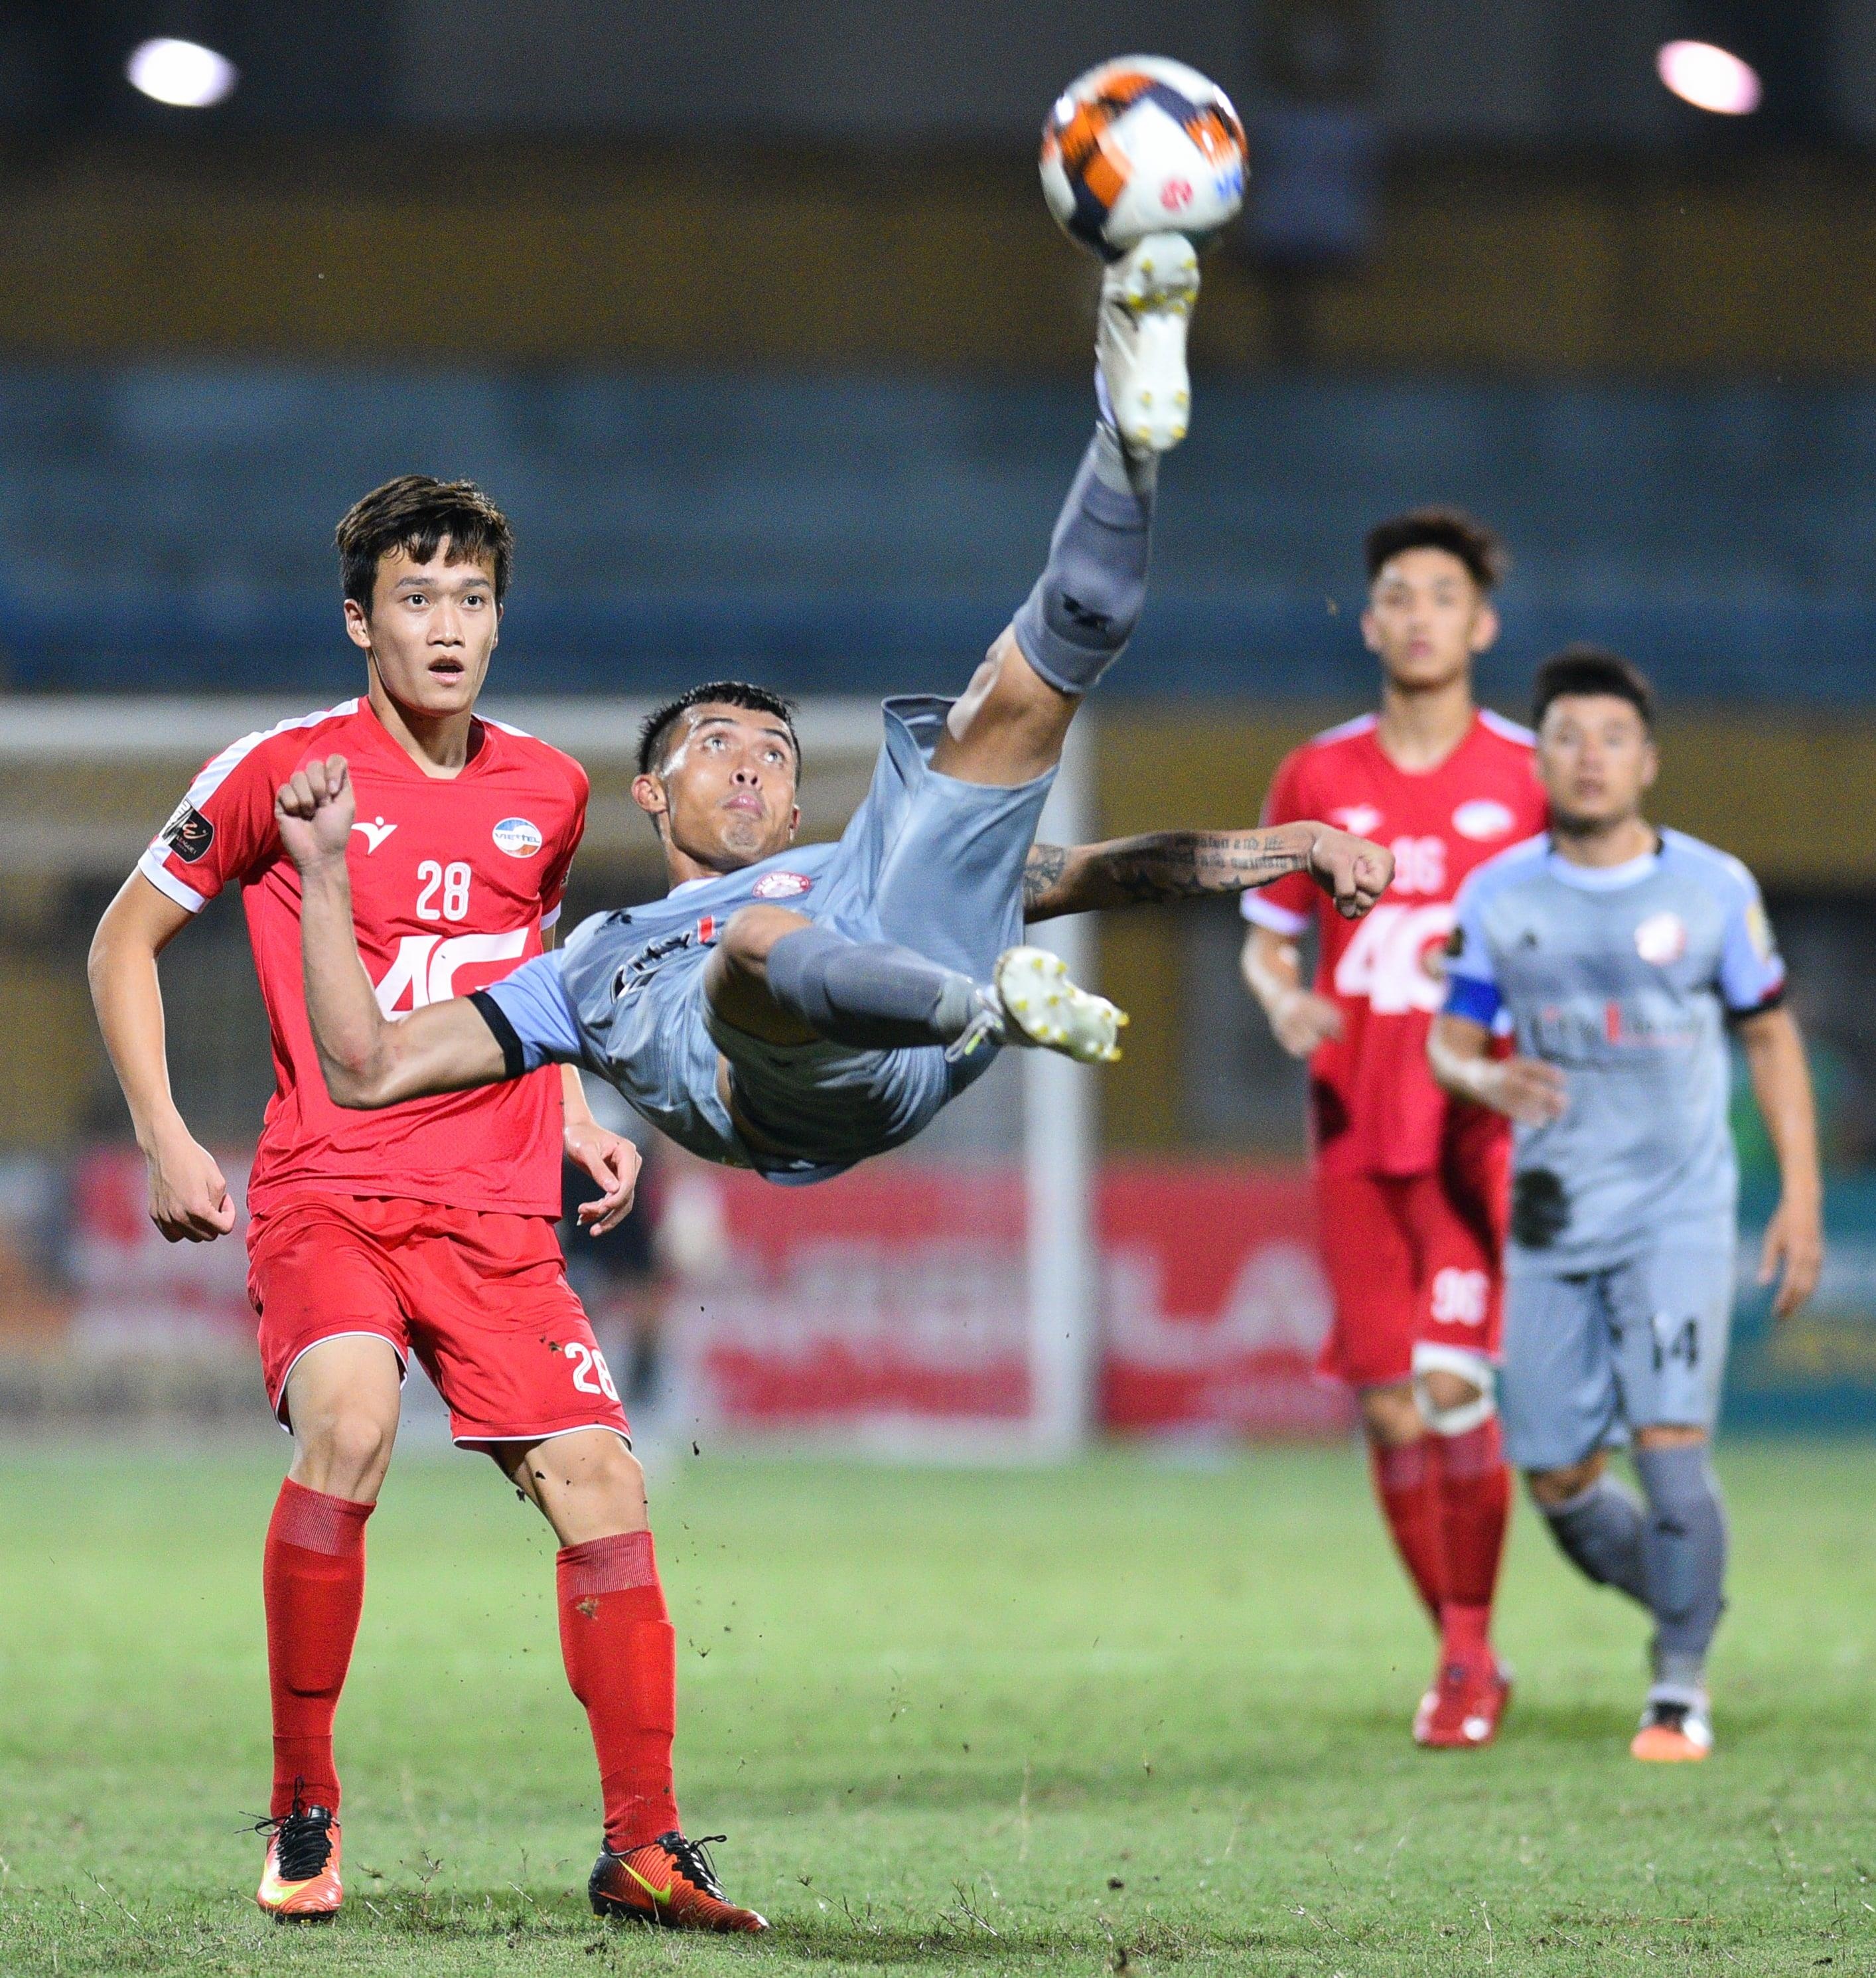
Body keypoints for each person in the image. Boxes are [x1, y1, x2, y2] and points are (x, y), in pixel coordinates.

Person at [268, 236, 1392, 1207]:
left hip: (900, 974)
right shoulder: (588, 962)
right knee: (751, 947)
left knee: (1015, 692)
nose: (750, 767)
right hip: (781, 1094)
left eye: (773, 756)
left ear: (801, 803)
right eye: (716, 744)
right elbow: (367, 1068)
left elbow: (1108, 872)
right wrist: (323, 872)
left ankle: (1129, 439)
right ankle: (985, 1001)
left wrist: (1299, 848)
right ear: (650, 792)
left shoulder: (840, 866)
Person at [88, 476, 766, 1931]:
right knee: (349, 1419)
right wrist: (162, 1130)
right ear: (360, 618)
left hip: (495, 1209)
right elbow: (122, 937)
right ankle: (302, 1806)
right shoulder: (282, 769)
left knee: (605, 1486)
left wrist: (575, 1106)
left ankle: (644, 1844)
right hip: (329, 1189)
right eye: (416, 598)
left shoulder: (548, 790)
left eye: (470, 600)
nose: (447, 627)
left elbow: (526, 991)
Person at [1429, 646, 1823, 1762]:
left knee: (1669, 1442)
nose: (1589, 757)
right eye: (1566, 737)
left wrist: (1798, 1195)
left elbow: (1771, 1036)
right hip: (1552, 1214)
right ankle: (1690, 1589)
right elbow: (1447, 1043)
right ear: (1541, 759)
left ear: (1647, 762)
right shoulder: (1500, 896)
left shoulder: (1713, 888)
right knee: (1557, 1476)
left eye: (1611, 738)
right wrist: (1483, 1077)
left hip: (1678, 1213)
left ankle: (1677, 1687)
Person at [1240, 510, 1546, 1748]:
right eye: (1398, 597)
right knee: (1386, 1409)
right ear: (1371, 624)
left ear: (1482, 623)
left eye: (1443, 596)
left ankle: (1467, 1662)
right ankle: (1461, 1646)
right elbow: (1265, 940)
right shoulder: (1318, 776)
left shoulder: (1531, 773)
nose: (1420, 615)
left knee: (1452, 1387)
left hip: (1478, 1131)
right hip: (1353, 1120)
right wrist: (1287, 1000)